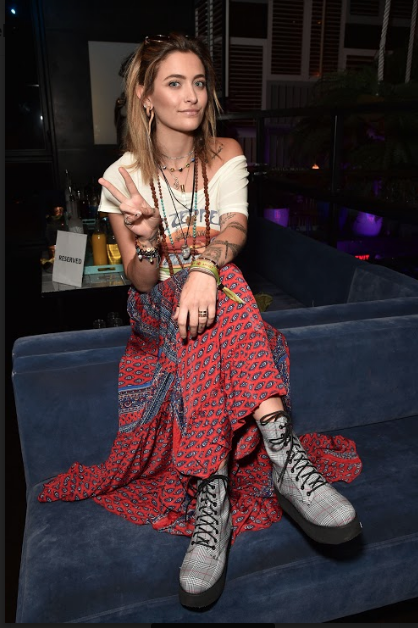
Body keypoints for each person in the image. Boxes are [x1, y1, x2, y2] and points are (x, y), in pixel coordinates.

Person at [38, 32, 362, 610]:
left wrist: (206, 267)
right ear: (146, 96)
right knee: (209, 293)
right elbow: (140, 280)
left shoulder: (225, 153)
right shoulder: (123, 177)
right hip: (157, 311)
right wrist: (147, 239)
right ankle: (281, 457)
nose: (191, 95)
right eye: (174, 83)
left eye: (199, 82)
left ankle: (218, 493)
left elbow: (234, 228)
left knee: (224, 284)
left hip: (217, 299)